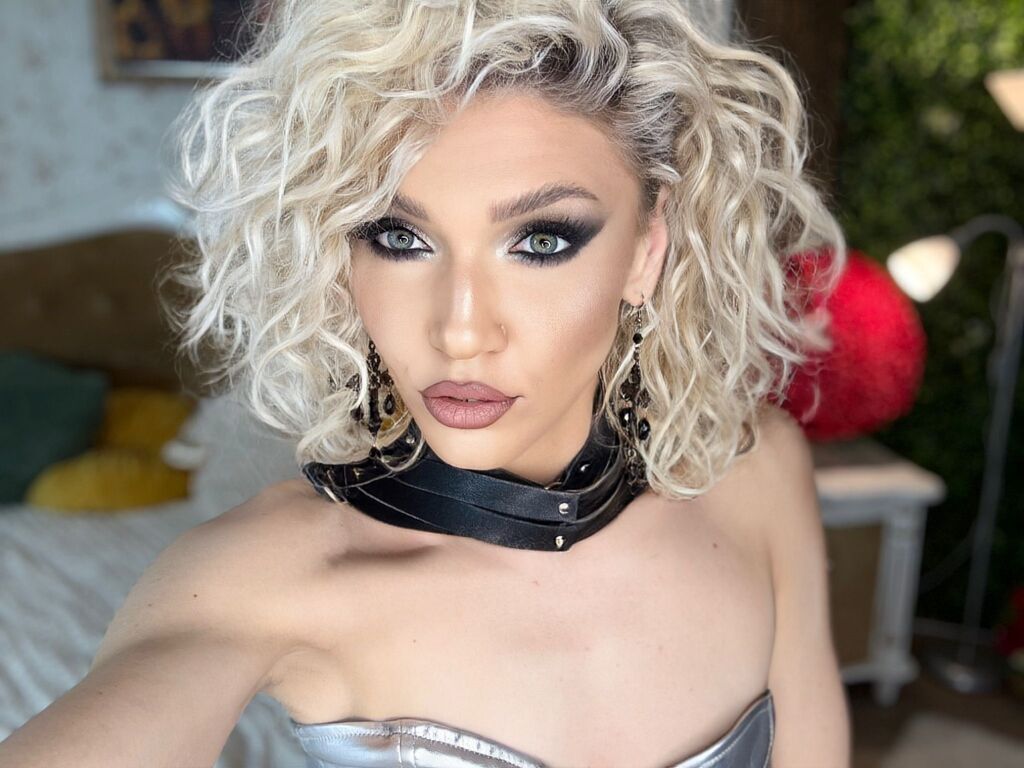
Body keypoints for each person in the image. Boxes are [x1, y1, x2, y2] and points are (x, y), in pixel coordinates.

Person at [0, 0, 852, 766]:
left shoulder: (756, 473)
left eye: (541, 241)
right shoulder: (262, 580)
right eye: (399, 238)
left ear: (645, 251)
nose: (460, 331)